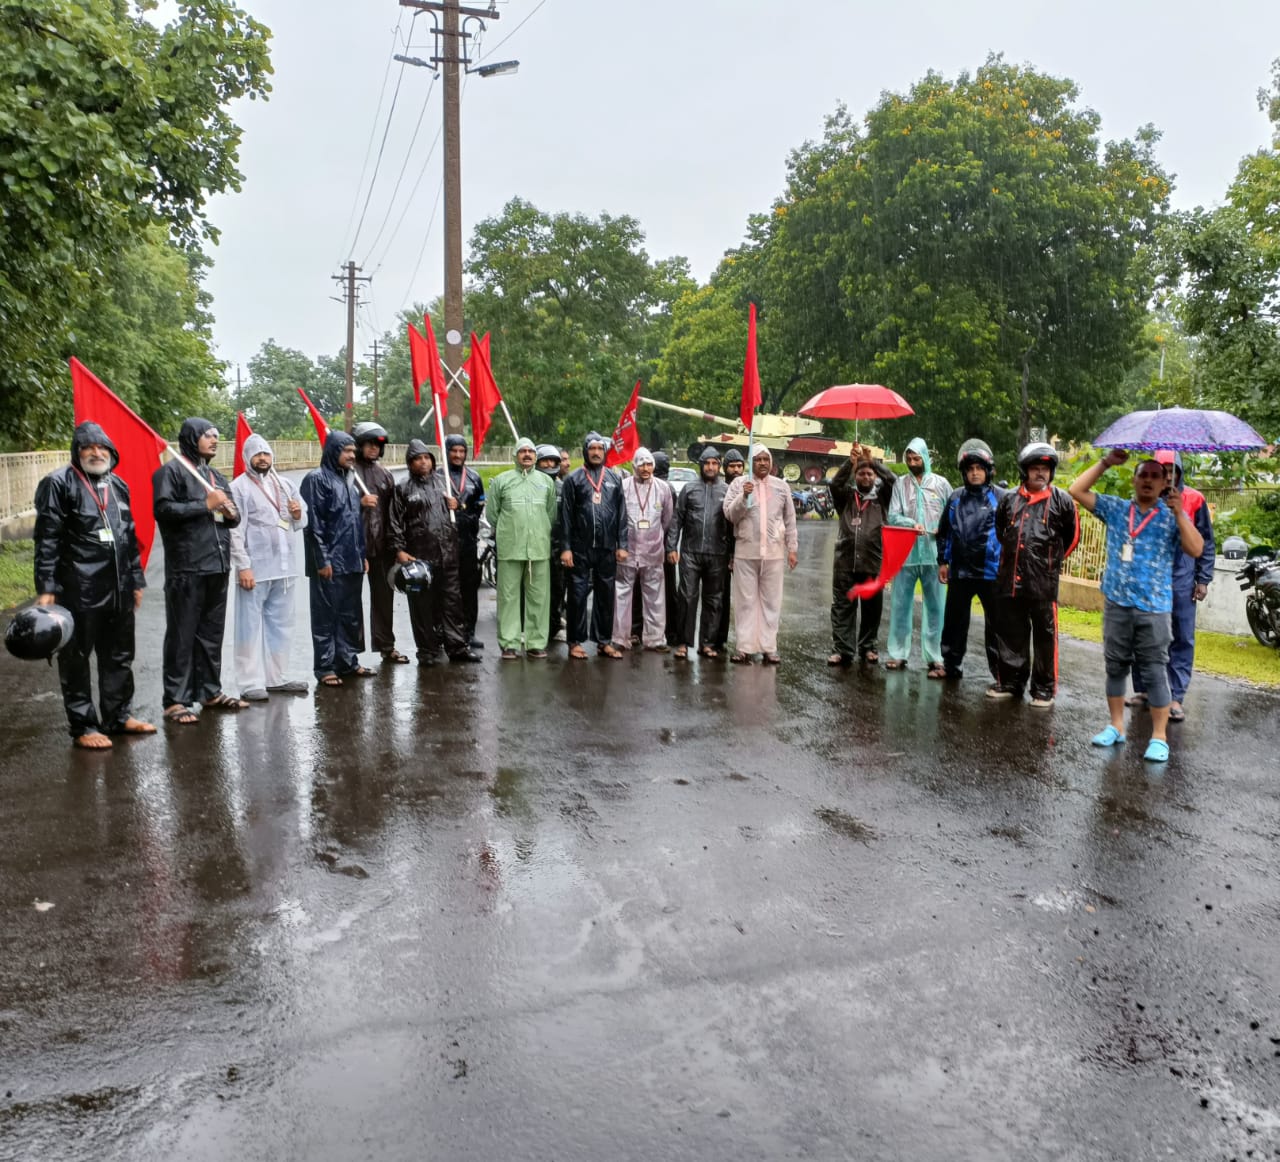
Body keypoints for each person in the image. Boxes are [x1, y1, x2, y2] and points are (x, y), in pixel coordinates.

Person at [1069, 450, 1205, 762]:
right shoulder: (1117, 509)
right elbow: (1076, 491)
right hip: (1117, 602)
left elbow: (1196, 548)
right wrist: (1105, 463)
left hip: (1154, 607)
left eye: (1155, 476)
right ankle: (1116, 726)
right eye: (1142, 474)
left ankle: (1159, 737)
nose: (1147, 480)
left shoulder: (1172, 516)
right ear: (1134, 479)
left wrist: (1180, 513)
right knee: (1115, 666)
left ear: (1165, 483)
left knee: (1156, 671)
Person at [32, 421, 155, 748]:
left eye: (102, 448)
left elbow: (128, 538)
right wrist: (46, 586)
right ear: (78, 451)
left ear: (111, 452)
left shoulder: (118, 485)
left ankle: (117, 716)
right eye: (88, 447)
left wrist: (136, 580)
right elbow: (47, 538)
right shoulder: (58, 483)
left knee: (119, 655)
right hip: (79, 587)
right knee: (76, 656)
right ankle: (84, 726)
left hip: (118, 587)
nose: (96, 453)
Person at [153, 417, 245, 722]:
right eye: (208, 435)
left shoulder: (216, 476)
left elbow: (234, 518)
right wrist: (204, 505)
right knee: (182, 634)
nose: (214, 440)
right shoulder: (172, 472)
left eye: (217, 436)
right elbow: (164, 510)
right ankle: (175, 699)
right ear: (192, 438)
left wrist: (229, 511)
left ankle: (209, 690)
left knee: (210, 634)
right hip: (187, 567)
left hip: (217, 565)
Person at [988, 442, 1079, 706]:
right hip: (1011, 580)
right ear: (1025, 471)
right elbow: (1001, 532)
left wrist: (1049, 562)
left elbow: (1071, 538)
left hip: (1043, 583)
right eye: (1035, 468)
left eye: (1045, 469)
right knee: (1012, 632)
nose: (1040, 473)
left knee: (1044, 636)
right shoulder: (1009, 499)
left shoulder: (1061, 501)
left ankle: (1043, 689)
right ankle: (1011, 682)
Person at [1128, 450, 1215, 722]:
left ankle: (1175, 697)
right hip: (1149, 579)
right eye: (1160, 470)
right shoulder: (1145, 499)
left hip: (1182, 579)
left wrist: (1203, 579)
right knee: (1143, 634)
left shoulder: (1194, 499)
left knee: (1182, 638)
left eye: (1171, 470)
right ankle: (1142, 690)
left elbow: (1206, 542)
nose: (1166, 475)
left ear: (1178, 471)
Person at [229, 435, 309, 700]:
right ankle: (250, 682)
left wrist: (297, 515)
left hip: (284, 570)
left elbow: (296, 521)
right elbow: (235, 531)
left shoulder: (284, 485)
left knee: (281, 626)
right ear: (247, 457)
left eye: (266, 454)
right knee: (248, 627)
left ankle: (277, 677)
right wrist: (243, 566)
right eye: (257, 454)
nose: (263, 458)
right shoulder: (238, 487)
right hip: (256, 570)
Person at [387, 441, 479, 666]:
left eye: (427, 457)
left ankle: (457, 647)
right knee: (422, 607)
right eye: (418, 458)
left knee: (452, 603)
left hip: (448, 554)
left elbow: (461, 511)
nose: (423, 462)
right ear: (410, 463)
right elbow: (395, 523)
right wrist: (399, 550)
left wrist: (457, 505)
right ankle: (427, 650)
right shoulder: (403, 488)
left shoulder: (444, 482)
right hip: (419, 559)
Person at [301, 430, 374, 686]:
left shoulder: (349, 481)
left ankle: (347, 661)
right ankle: (325, 667)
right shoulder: (316, 480)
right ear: (334, 451)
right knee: (325, 616)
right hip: (330, 562)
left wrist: (361, 554)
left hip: (351, 560)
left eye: (354, 451)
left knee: (350, 615)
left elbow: (355, 523)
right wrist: (322, 560)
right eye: (347, 451)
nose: (352, 456)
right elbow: (314, 526)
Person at [935, 439, 1004, 682]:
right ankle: (950, 665)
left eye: (979, 469)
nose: (975, 473)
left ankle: (1001, 674)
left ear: (988, 471)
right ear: (965, 473)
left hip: (991, 573)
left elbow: (1012, 534)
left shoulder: (1001, 498)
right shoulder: (955, 498)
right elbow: (944, 532)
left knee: (997, 626)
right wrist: (943, 561)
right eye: (970, 469)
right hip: (960, 573)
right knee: (954, 622)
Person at [722, 446, 798, 664]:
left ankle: (768, 647)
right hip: (746, 551)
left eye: (766, 459)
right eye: (758, 459)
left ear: (771, 462)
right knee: (745, 602)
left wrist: (792, 549)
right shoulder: (739, 484)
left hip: (774, 553)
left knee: (771, 602)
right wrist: (744, 496)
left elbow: (790, 520)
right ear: (751, 462)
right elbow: (730, 515)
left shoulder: (781, 486)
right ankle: (744, 647)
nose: (763, 463)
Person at [885, 437, 952, 674]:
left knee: (936, 608)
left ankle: (936, 656)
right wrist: (911, 523)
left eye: (917, 458)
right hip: (906, 554)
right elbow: (892, 516)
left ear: (925, 458)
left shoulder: (942, 484)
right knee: (900, 605)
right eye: (909, 459)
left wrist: (942, 531)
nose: (913, 463)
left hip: (935, 555)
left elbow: (951, 516)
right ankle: (897, 653)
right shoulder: (900, 485)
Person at [489, 438, 560, 659]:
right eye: (522, 451)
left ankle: (536, 643)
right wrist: (509, 531)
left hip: (539, 549)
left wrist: (538, 532)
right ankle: (509, 643)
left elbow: (551, 514)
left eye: (530, 451)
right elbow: (492, 514)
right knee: (508, 597)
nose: (527, 454)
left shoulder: (546, 482)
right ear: (515, 455)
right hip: (510, 548)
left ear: (535, 456)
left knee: (539, 597)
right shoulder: (502, 481)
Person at [560, 432, 629, 659]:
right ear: (585, 451)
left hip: (607, 547)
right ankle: (575, 641)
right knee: (578, 594)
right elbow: (566, 517)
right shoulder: (574, 479)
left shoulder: (613, 478)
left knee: (605, 594)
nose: (596, 452)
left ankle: (604, 641)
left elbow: (621, 514)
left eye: (600, 448)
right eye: (592, 449)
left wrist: (622, 544)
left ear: (605, 451)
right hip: (580, 548)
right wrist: (566, 547)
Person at [827, 444, 896, 666]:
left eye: (869, 473)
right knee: (842, 607)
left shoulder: (882, 498)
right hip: (845, 562)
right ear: (855, 476)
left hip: (873, 562)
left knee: (872, 609)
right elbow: (835, 483)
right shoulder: (846, 497)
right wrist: (851, 462)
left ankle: (868, 647)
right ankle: (842, 649)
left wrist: (873, 461)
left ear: (875, 477)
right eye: (861, 473)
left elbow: (893, 480)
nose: (865, 477)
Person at [668, 446, 731, 660]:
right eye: (707, 463)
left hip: (718, 554)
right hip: (690, 552)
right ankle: (684, 643)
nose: (711, 467)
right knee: (686, 597)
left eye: (714, 463)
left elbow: (733, 527)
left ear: (719, 466)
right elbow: (677, 520)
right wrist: (671, 547)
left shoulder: (727, 490)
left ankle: (707, 643)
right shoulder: (689, 489)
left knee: (714, 600)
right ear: (701, 465)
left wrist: (731, 555)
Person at [351, 422, 405, 665]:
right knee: (350, 601)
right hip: (353, 546)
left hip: (381, 547)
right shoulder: (347, 473)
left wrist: (396, 546)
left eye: (378, 445)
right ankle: (350, 651)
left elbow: (394, 514)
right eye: (369, 444)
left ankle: (386, 645)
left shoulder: (385, 475)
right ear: (359, 445)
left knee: (384, 598)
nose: (373, 449)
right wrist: (358, 503)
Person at [613, 448, 675, 652]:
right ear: (634, 466)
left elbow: (667, 520)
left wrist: (656, 540)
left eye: (649, 464)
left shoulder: (663, 488)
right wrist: (620, 544)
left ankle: (655, 639)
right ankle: (620, 638)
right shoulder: (622, 487)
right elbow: (617, 518)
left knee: (655, 597)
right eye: (641, 464)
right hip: (627, 552)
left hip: (653, 552)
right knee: (622, 595)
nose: (646, 468)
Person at [444, 434, 486, 649]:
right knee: (447, 590)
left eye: (462, 451)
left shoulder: (474, 477)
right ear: (447, 451)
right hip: (444, 545)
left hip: (468, 542)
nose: (458, 455)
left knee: (469, 590)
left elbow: (479, 507)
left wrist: (462, 510)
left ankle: (469, 632)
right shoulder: (438, 476)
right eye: (454, 450)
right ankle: (445, 633)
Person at [709, 448, 745, 653]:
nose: (736, 470)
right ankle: (718, 637)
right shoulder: (722, 489)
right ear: (726, 468)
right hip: (722, 551)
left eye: (739, 466)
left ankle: (746, 641)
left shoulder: (748, 488)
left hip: (743, 549)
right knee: (719, 595)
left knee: (746, 597)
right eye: (732, 466)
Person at [536, 444, 568, 642]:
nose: (549, 464)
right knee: (534, 589)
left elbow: (569, 519)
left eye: (553, 461)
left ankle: (554, 625)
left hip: (557, 547)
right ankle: (532, 625)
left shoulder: (564, 488)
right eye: (545, 461)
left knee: (557, 588)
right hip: (535, 545)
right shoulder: (531, 485)